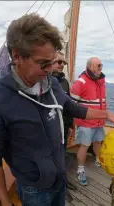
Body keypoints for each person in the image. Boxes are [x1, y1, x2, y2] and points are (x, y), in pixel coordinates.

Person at [0, 13, 114, 206]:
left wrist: (107, 115)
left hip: (59, 178)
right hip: (34, 189)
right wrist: (5, 201)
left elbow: (73, 108)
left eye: (52, 61)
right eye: (43, 63)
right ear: (17, 56)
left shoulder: (51, 85)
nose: (50, 69)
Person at [70, 57, 106, 186]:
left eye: (101, 65)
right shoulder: (80, 82)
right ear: (91, 66)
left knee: (98, 142)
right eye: (99, 66)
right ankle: (80, 171)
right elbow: (71, 105)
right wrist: (72, 124)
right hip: (85, 123)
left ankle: (98, 159)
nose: (101, 68)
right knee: (84, 146)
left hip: (99, 122)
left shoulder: (101, 82)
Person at [51, 51, 77, 192]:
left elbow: (69, 105)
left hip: (64, 126)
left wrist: (72, 123)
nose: (62, 65)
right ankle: (57, 186)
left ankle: (63, 182)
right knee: (53, 157)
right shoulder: (44, 81)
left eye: (64, 63)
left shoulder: (65, 82)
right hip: (51, 127)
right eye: (59, 62)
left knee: (62, 154)